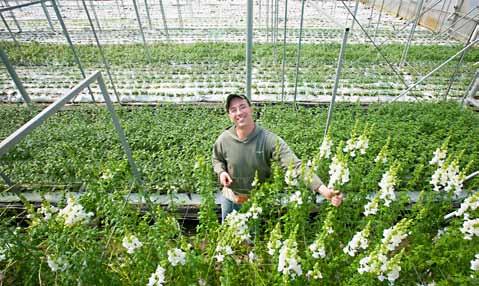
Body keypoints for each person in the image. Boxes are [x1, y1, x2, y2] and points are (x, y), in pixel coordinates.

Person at [212, 94, 343, 222]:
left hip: (254, 202)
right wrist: (221, 172)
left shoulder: (268, 139)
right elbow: (217, 159)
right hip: (229, 198)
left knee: (250, 239)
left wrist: (323, 190)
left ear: (251, 109)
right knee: (227, 237)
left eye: (242, 107)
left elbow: (295, 166)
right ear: (230, 116)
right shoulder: (225, 138)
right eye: (233, 110)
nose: (239, 112)